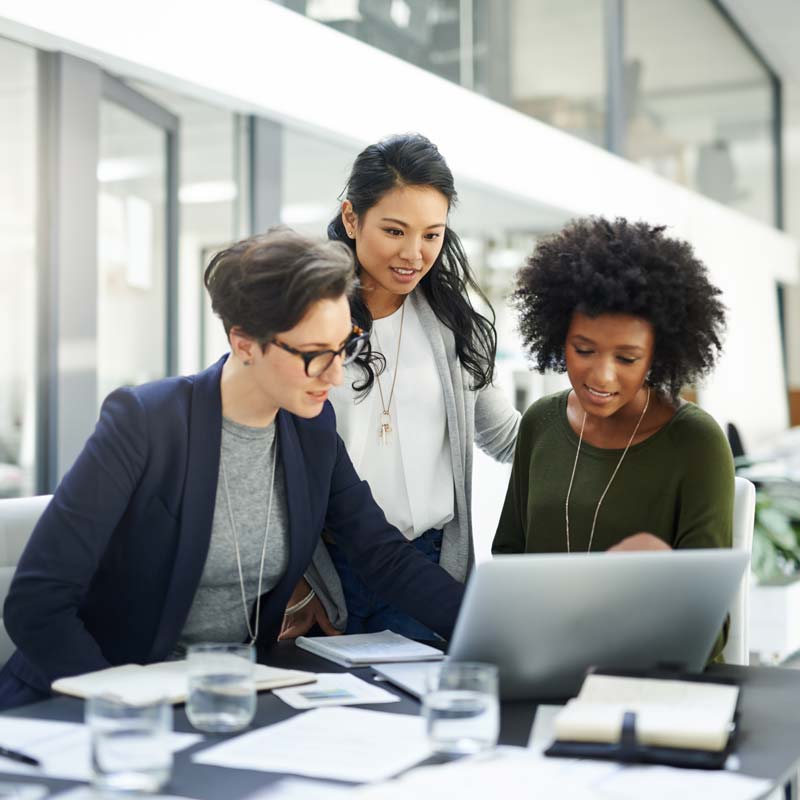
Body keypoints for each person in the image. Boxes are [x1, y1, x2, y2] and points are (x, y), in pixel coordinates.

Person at [0, 228, 464, 710]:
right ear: (244, 343)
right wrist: (122, 707)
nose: (335, 374)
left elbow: (382, 556)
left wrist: (483, 631)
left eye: (344, 346)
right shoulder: (146, 423)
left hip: (231, 698)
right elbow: (38, 602)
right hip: (100, 703)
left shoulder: (311, 429)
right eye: (314, 355)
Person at [280, 134, 519, 640]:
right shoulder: (306, 320)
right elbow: (268, 456)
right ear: (351, 219)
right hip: (327, 572)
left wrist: (604, 418)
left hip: (428, 567)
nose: (414, 253)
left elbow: (506, 437)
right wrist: (299, 582)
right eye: (394, 230)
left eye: (432, 235)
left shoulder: (456, 325)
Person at [492, 217, 733, 659]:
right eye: (583, 350)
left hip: (648, 679)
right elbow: (508, 560)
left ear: (658, 356)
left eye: (627, 357)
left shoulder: (696, 444)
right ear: (557, 336)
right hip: (542, 664)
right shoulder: (540, 423)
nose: (601, 376)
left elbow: (709, 628)